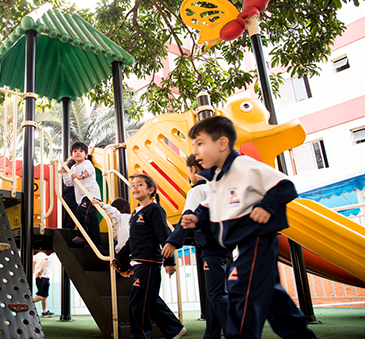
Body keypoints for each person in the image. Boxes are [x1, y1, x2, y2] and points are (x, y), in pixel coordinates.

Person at [181, 115, 318, 339]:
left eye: (200, 144)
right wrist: (196, 218)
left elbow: (284, 186)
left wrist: (266, 206)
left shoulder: (244, 166)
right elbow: (208, 206)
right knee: (274, 299)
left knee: (239, 287)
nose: (195, 151)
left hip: (258, 239)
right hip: (244, 244)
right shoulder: (217, 178)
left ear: (222, 143)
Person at [163, 154, 232, 339]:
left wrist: (173, 241)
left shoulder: (198, 190)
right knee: (214, 293)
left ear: (193, 169)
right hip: (224, 247)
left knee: (216, 294)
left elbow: (187, 217)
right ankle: (211, 334)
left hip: (211, 248)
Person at [113, 173, 186, 339]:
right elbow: (132, 241)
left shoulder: (154, 210)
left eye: (139, 184)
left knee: (138, 302)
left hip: (149, 262)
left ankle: (139, 336)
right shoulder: (135, 214)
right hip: (138, 262)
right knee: (150, 299)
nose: (135, 187)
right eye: (133, 185)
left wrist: (169, 261)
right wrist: (119, 258)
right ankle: (174, 329)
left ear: (151, 190)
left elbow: (164, 236)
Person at [68, 142, 102, 249]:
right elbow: (69, 183)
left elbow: (89, 171)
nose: (78, 153)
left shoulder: (87, 163)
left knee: (81, 210)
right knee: (92, 221)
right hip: (81, 197)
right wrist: (65, 173)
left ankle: (82, 235)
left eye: (81, 151)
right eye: (75, 151)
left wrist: (81, 176)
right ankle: (97, 244)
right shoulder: (73, 168)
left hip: (91, 195)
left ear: (86, 154)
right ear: (71, 155)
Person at [33, 250, 55, 317]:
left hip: (38, 278)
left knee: (44, 296)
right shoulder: (47, 255)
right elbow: (44, 261)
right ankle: (26, 303)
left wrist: (33, 273)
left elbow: (33, 263)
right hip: (44, 277)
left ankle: (45, 311)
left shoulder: (38, 254)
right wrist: (41, 271)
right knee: (42, 296)